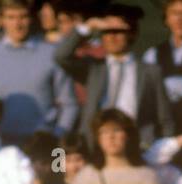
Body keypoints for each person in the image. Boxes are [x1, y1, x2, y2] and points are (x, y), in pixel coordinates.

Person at [54, 5, 174, 150]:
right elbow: (61, 56)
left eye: (118, 31)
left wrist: (162, 150)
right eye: (106, 31)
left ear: (133, 33)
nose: (111, 37)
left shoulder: (151, 72)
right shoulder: (93, 68)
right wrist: (87, 27)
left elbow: (165, 119)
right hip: (95, 147)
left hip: (138, 148)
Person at [0, 0, 77, 147]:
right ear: (1, 20)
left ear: (32, 19)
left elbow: (69, 104)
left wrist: (57, 141)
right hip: (0, 145)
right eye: (11, 17)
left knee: (57, 169)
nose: (18, 24)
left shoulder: (52, 53)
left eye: (23, 17)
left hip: (44, 144)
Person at [143, 0, 182, 134]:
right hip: (162, 131)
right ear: (167, 18)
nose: (179, 19)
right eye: (174, 13)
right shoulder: (152, 55)